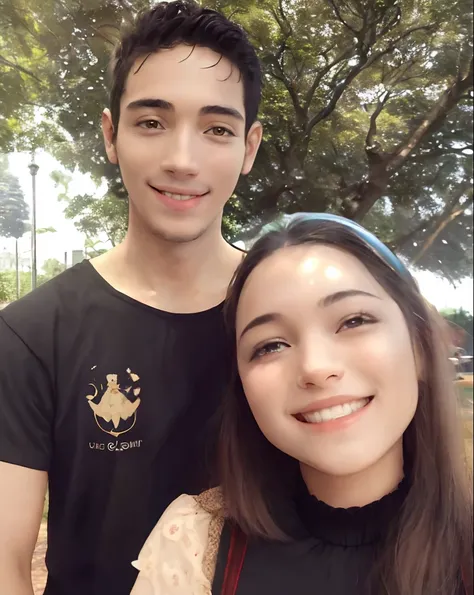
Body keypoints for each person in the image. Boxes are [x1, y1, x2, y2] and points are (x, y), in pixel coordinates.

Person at [0, 2, 262, 594]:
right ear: (110, 135)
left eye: (217, 128)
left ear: (248, 148)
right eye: (151, 122)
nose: (182, 159)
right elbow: (6, 560)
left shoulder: (286, 318)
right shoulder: (33, 334)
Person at [131, 215, 473, 595]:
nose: (315, 367)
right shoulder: (193, 544)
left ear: (420, 348)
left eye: (354, 321)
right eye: (270, 345)